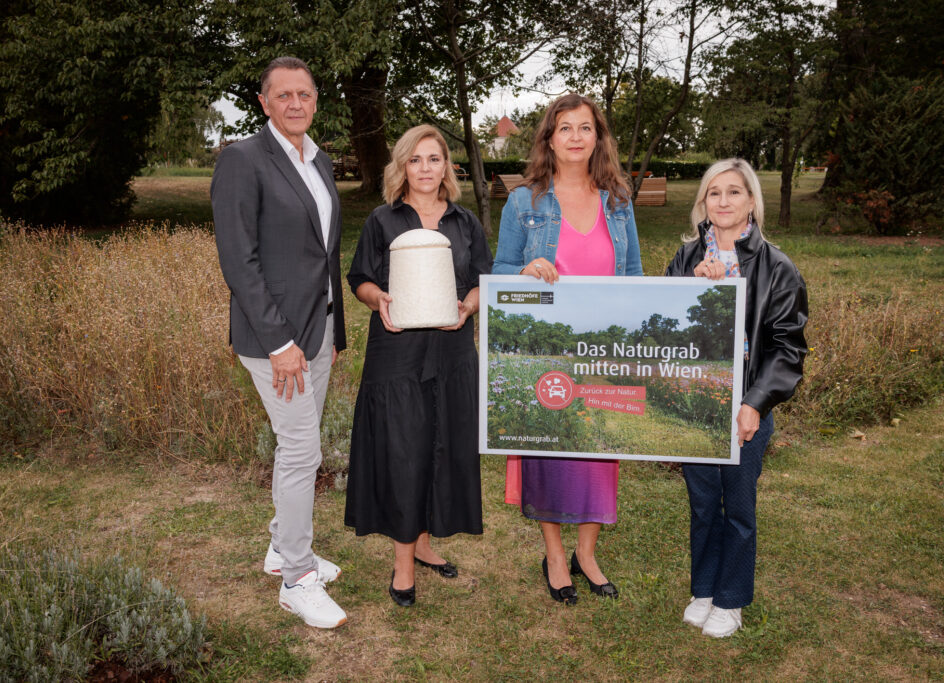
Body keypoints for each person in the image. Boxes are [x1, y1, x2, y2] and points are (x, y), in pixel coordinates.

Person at [212, 57, 348, 629]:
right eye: (283, 95)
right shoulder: (243, 159)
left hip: (317, 332)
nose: (296, 103)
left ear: (316, 101)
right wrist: (279, 342)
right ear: (264, 102)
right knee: (302, 451)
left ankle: (280, 547)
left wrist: (333, 331)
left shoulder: (319, 159)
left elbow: (324, 254)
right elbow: (238, 261)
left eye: (305, 94)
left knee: (298, 446)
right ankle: (296, 578)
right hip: (276, 341)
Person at [492, 94, 643, 605]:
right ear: (549, 138)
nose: (575, 137)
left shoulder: (618, 200)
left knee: (600, 447)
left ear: (597, 138)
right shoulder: (524, 202)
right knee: (549, 451)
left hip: (602, 349)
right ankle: (555, 556)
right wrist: (524, 272)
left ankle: (587, 554)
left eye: (585, 128)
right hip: (547, 349)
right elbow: (499, 272)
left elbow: (635, 278)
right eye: (564, 128)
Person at [345, 125, 491, 607]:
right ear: (401, 167)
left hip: (452, 354)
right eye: (415, 160)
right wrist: (378, 299)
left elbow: (481, 281)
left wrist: (468, 307)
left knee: (442, 446)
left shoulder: (464, 221)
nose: (426, 169)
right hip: (397, 352)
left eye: (434, 159)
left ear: (447, 166)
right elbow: (359, 276)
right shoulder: (383, 220)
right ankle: (402, 564)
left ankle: (425, 545)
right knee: (404, 452)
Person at [663, 158, 808, 637]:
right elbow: (662, 327)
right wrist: (690, 291)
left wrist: (755, 403)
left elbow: (788, 348)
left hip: (745, 406)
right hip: (696, 405)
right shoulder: (685, 260)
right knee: (702, 503)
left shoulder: (776, 265)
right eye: (714, 193)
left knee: (738, 507)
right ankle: (704, 589)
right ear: (704, 201)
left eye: (733, 192)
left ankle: (731, 599)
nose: (723, 202)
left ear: (751, 202)